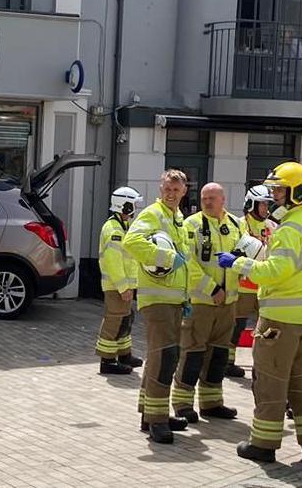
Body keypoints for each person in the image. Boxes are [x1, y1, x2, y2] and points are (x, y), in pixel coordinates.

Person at [217, 161, 302, 464]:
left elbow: (277, 271)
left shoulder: (290, 228)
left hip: (280, 320)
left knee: (269, 383)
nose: (274, 196)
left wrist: (238, 263)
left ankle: (263, 445)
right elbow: (294, 265)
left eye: (279, 190)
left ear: (296, 192)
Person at [122, 169, 191, 444]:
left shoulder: (178, 219)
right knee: (164, 359)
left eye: (176, 189)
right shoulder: (153, 214)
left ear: (184, 191)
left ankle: (149, 413)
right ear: (160, 189)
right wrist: (164, 256)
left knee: (159, 358)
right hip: (158, 299)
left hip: (173, 300)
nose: (171, 193)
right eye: (167, 189)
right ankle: (158, 420)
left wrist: (186, 298)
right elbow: (132, 241)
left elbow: (186, 262)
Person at [171, 183, 241, 422]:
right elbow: (189, 262)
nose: (207, 202)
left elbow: (243, 256)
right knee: (193, 353)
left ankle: (212, 403)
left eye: (212, 198)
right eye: (204, 198)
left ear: (223, 199)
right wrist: (212, 289)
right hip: (201, 302)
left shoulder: (235, 224)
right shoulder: (191, 225)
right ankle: (182, 403)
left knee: (219, 354)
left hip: (229, 302)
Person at [229, 184, 277, 378]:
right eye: (262, 204)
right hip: (243, 286)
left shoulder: (272, 226)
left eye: (267, 204)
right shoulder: (239, 224)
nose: (266, 209)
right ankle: (228, 362)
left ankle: (264, 362)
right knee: (236, 325)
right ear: (250, 204)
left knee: (267, 326)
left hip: (264, 285)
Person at [96, 186, 145, 375]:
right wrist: (124, 287)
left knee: (125, 319)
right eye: (132, 205)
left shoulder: (121, 227)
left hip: (123, 285)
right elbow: (113, 262)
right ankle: (107, 361)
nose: (134, 209)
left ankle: (124, 355)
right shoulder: (114, 230)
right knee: (114, 321)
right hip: (117, 286)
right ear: (124, 206)